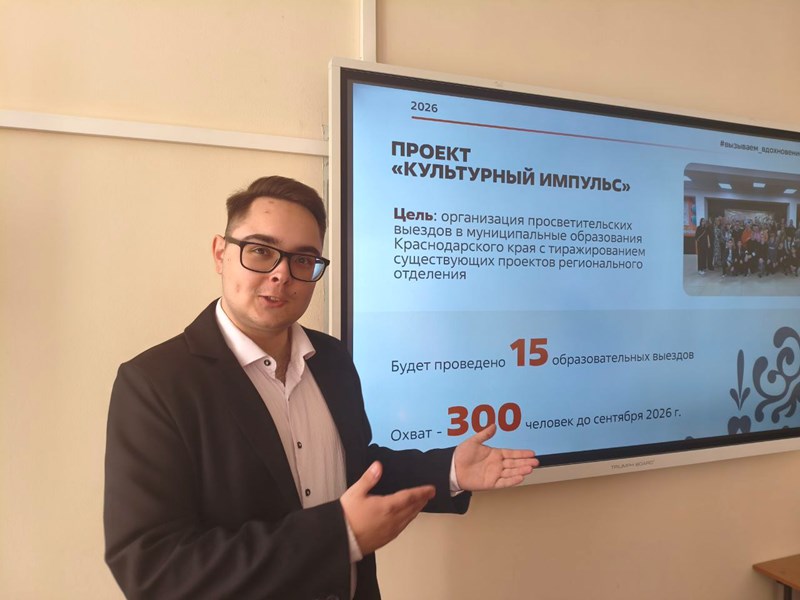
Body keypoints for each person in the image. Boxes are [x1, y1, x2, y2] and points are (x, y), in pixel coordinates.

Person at [104, 176, 539, 600]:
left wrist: (449, 470)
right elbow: (153, 569)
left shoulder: (330, 358)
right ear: (221, 253)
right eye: (261, 251)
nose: (281, 274)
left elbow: (353, 470)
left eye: (302, 259)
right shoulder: (155, 384)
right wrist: (339, 535)